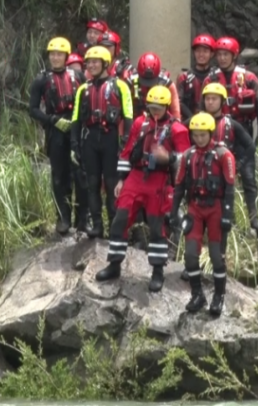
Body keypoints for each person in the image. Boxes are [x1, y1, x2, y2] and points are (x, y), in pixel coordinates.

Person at [95, 86, 190, 292]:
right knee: (120, 218)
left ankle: (157, 271)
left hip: (160, 180)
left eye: (159, 107)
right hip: (137, 176)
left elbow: (186, 159)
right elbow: (128, 150)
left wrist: (170, 157)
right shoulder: (140, 123)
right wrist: (121, 179)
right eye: (152, 107)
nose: (155, 111)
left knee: (157, 226)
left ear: (167, 106)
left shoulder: (177, 129)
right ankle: (114, 264)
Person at [170, 113, 236, 317]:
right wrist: (173, 212)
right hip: (195, 208)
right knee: (190, 255)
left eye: (202, 135)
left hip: (216, 207)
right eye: (195, 135)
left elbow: (230, 188)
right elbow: (179, 186)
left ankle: (219, 296)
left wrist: (227, 215)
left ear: (210, 133)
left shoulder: (223, 155)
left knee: (217, 257)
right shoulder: (188, 156)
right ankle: (197, 295)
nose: (199, 139)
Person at [71, 46, 134, 237]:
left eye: (95, 62)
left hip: (110, 139)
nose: (91, 65)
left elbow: (129, 114)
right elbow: (76, 118)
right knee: (92, 183)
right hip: (90, 139)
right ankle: (97, 225)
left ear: (105, 63)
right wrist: (75, 144)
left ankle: (114, 226)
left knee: (111, 182)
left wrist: (125, 141)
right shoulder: (83, 89)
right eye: (89, 62)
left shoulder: (120, 85)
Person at [28, 37, 89, 235]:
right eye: (52, 54)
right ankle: (63, 217)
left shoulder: (78, 76)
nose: (55, 58)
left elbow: (87, 100)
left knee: (80, 174)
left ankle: (82, 219)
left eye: (59, 54)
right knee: (58, 176)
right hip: (55, 130)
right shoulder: (41, 79)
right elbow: (33, 109)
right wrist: (52, 120)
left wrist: (79, 122)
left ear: (66, 56)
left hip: (76, 128)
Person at [201, 83, 258, 234]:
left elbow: (250, 146)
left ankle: (254, 220)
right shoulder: (196, 123)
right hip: (201, 170)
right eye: (207, 99)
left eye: (214, 99)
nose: (210, 102)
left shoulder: (231, 124)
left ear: (222, 102)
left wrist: (239, 164)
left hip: (224, 171)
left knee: (249, 182)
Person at [203, 37, 258, 152]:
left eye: (226, 54)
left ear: (234, 55)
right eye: (219, 55)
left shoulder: (249, 77)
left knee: (244, 163)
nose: (222, 58)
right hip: (218, 126)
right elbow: (202, 106)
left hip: (243, 126)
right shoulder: (210, 79)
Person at [127, 52, 181, 121]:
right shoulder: (130, 82)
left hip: (161, 125)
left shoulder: (167, 85)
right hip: (135, 123)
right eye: (144, 80)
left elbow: (176, 113)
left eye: (151, 81)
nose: (147, 84)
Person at [176, 34, 216, 116]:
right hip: (189, 120)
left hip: (212, 119)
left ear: (211, 54)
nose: (201, 54)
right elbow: (179, 102)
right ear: (194, 53)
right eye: (198, 51)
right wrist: (193, 118)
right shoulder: (184, 77)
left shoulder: (216, 76)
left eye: (205, 51)